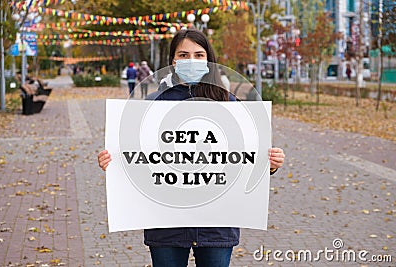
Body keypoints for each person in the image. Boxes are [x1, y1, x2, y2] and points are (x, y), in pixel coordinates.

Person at [98, 29, 285, 267]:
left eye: (198, 54)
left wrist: (270, 165)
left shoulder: (229, 104)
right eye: (184, 55)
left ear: (208, 60)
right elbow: (135, 158)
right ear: (173, 61)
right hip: (166, 226)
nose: (191, 61)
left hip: (217, 225)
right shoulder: (152, 105)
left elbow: (246, 158)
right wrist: (112, 163)